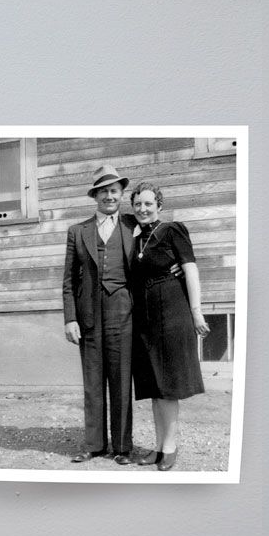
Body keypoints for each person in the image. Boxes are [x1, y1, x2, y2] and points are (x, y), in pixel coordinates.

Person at [130, 183, 210, 471]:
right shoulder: (137, 238)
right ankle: (158, 445)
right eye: (138, 204)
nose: (142, 209)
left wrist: (196, 313)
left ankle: (170, 447)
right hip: (146, 318)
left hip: (172, 312)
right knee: (154, 386)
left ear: (159, 206)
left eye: (148, 204)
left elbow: (190, 268)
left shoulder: (172, 230)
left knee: (168, 387)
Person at [62, 164, 137, 465]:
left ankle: (122, 447)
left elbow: (157, 250)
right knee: (93, 382)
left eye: (114, 190)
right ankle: (94, 445)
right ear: (95, 196)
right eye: (104, 191)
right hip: (89, 314)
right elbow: (69, 279)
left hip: (123, 312)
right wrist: (70, 318)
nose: (109, 195)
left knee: (121, 381)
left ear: (121, 194)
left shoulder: (134, 226)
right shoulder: (77, 231)